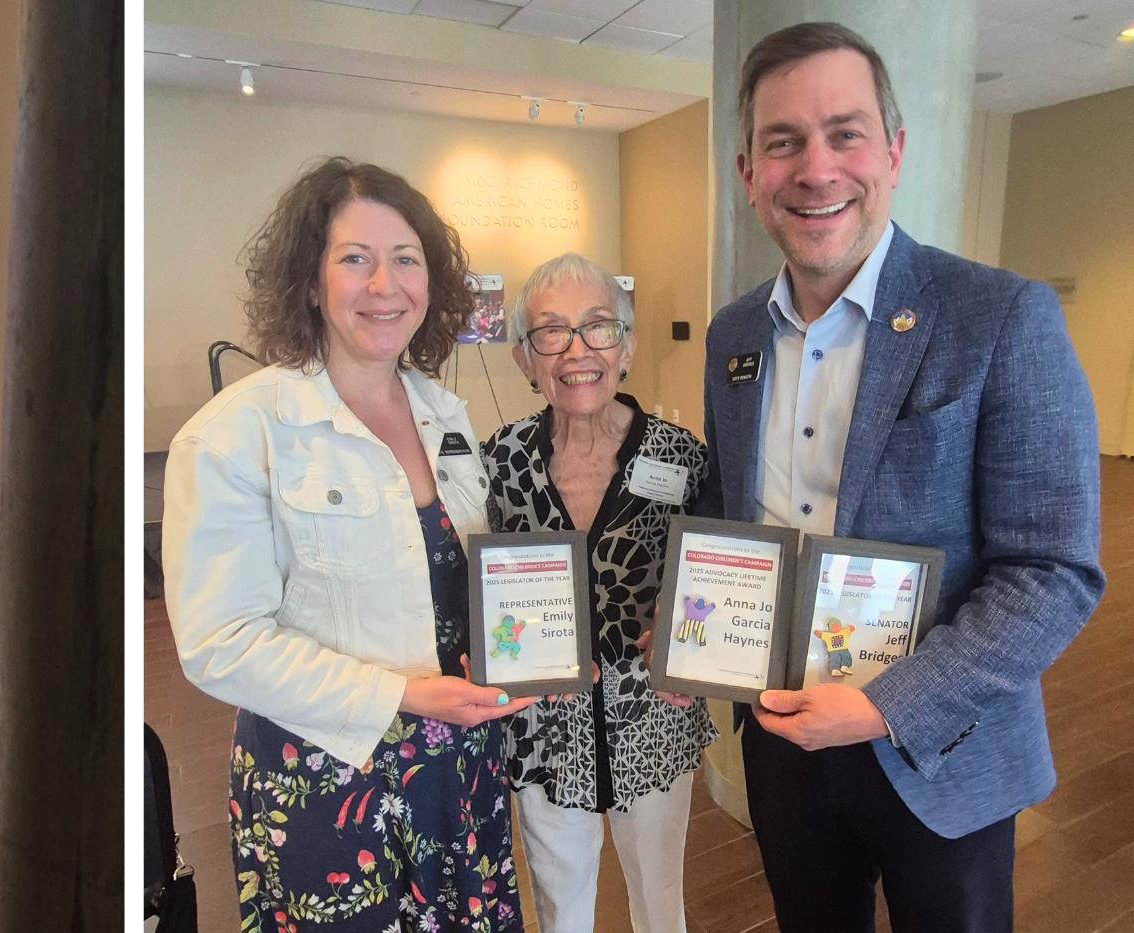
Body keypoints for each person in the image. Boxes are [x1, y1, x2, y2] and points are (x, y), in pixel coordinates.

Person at [702, 22, 1102, 931]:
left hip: (946, 747)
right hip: (783, 736)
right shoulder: (734, 335)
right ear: (749, 174)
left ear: (893, 150)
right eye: (783, 142)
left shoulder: (1001, 315)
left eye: (844, 133)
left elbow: (1053, 572)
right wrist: (694, 621)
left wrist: (885, 704)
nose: (816, 169)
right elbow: (731, 508)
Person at [164, 157, 537, 932]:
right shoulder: (238, 433)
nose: (384, 284)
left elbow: (458, 583)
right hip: (326, 783)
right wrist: (402, 692)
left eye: (406, 259)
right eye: (355, 259)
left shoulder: (447, 415)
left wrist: (533, 648)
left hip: (457, 764)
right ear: (310, 280)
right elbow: (219, 644)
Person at [482, 252, 715, 933]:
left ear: (628, 347)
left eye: (598, 327)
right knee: (561, 907)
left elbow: (717, 582)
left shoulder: (681, 456)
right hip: (544, 729)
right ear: (525, 359)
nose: (577, 350)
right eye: (551, 331)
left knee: (660, 901)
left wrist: (697, 650)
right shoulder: (499, 462)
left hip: (654, 720)